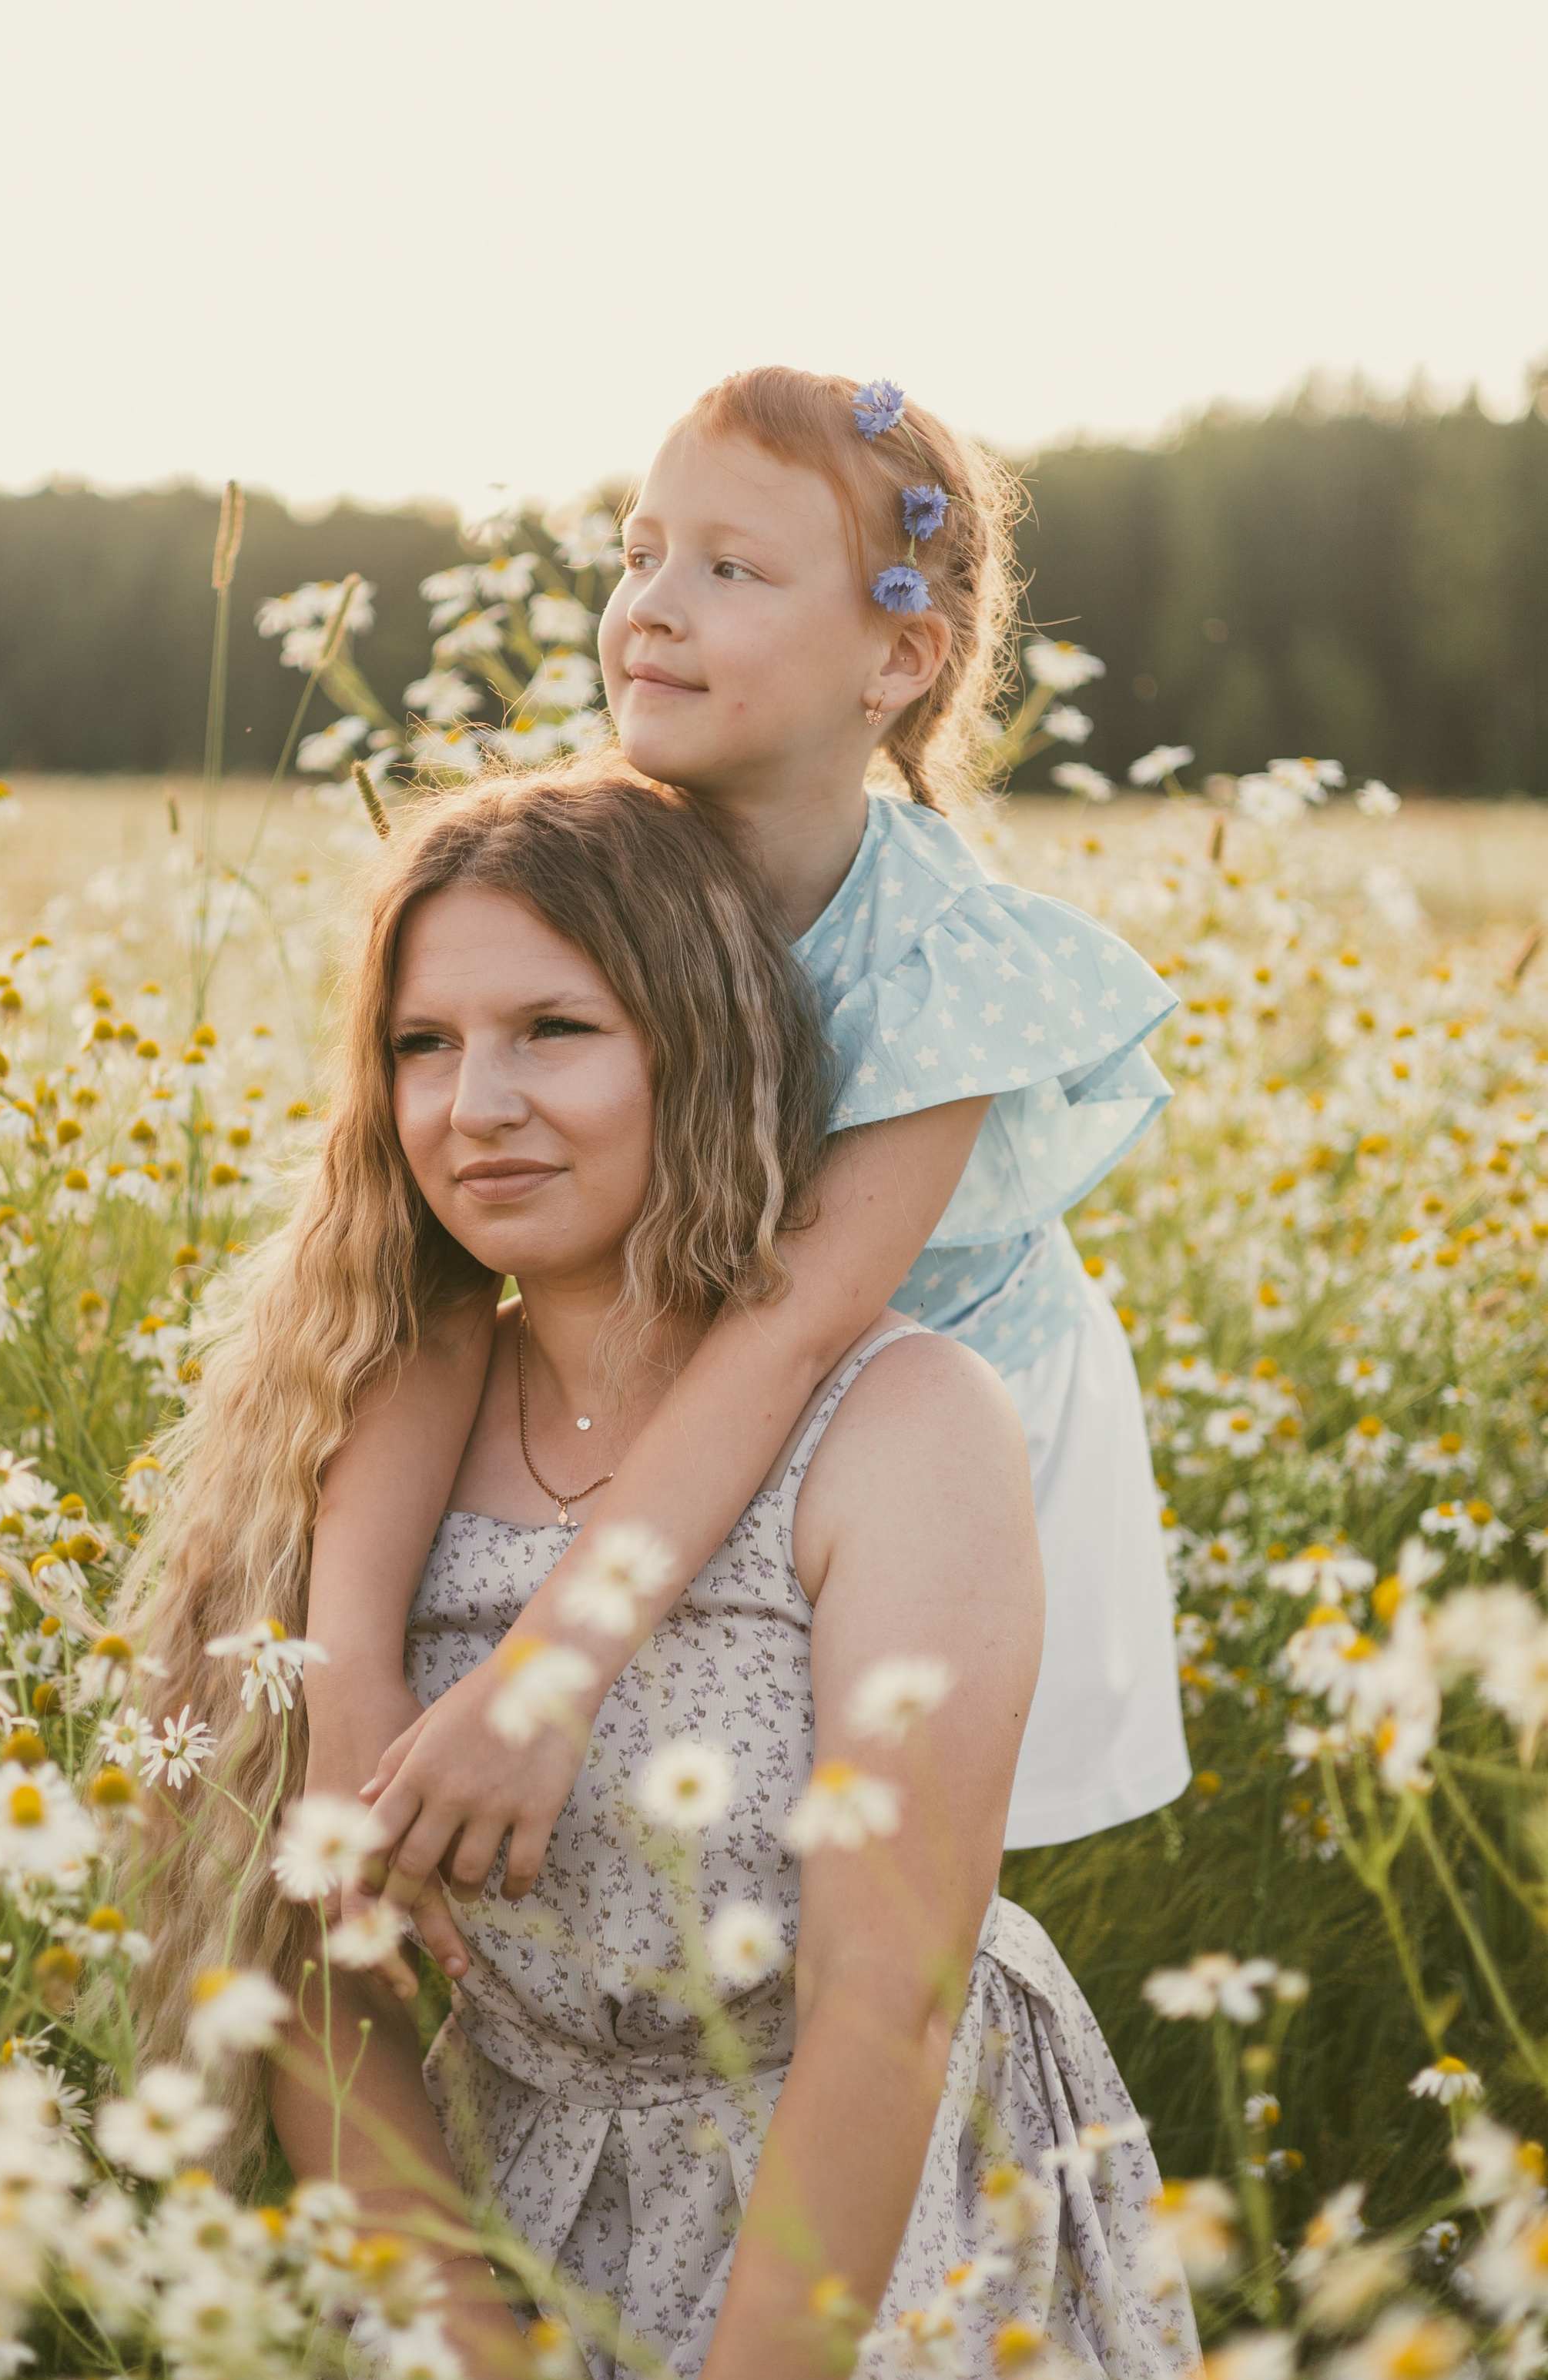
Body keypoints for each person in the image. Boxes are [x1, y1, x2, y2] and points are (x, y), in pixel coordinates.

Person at [131, 765, 1198, 2380]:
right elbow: (295, 1952)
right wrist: (457, 2367)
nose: (478, 1106)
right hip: (491, 2201)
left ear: (695, 1047)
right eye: (422, 1044)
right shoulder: (354, 1419)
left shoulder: (895, 1422)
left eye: (556, 1030)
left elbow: (886, 2000)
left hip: (858, 2208)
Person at [306, 368, 1187, 1982]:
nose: (650, 605)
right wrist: (344, 1671)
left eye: (730, 568)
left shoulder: (940, 966)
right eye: (639, 553)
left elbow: (794, 1337)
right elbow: (436, 1283)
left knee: (864, 1906)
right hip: (689, 1378)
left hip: (936, 1405)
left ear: (898, 658)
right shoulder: (584, 875)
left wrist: (536, 1682)